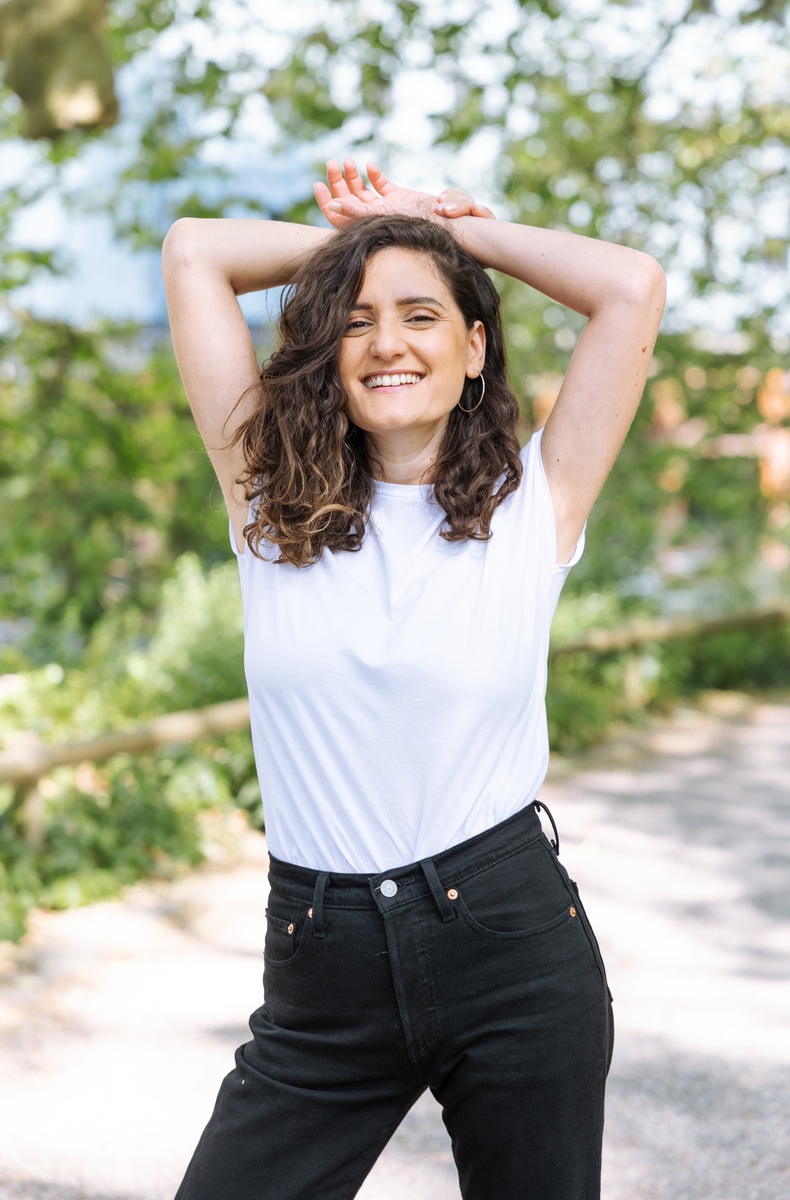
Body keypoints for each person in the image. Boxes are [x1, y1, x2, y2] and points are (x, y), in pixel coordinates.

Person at [161, 158, 666, 1200]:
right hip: (321, 964)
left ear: (474, 346)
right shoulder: (264, 499)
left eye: (421, 316)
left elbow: (629, 287)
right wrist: (374, 238)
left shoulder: (537, 502)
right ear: (329, 355)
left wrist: (449, 235)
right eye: (354, 320)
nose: (386, 341)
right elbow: (193, 255)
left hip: (510, 945)